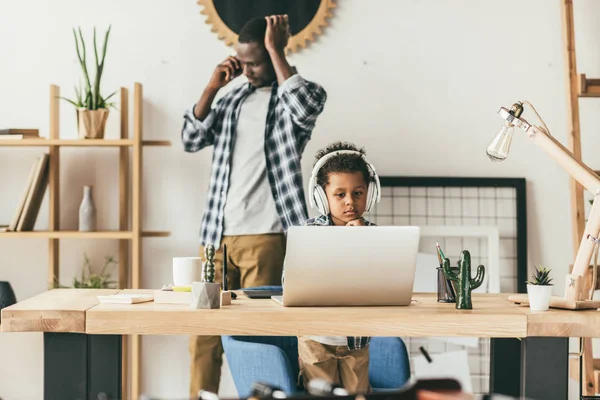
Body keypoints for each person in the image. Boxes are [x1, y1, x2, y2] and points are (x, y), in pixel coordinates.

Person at [181, 14, 327, 398]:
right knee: (204, 339)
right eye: (241, 62)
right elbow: (190, 138)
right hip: (215, 238)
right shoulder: (232, 100)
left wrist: (278, 50)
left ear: (273, 53)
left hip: (265, 236)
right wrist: (212, 87)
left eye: (254, 62)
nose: (246, 71)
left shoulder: (293, 99)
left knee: (264, 336)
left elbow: (308, 106)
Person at [298, 141, 378, 393]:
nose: (349, 202)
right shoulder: (309, 233)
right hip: (316, 339)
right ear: (322, 197)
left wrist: (363, 243)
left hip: (357, 340)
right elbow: (295, 281)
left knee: (360, 396)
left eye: (358, 193)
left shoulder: (376, 236)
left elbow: (381, 282)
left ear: (371, 193)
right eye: (339, 194)